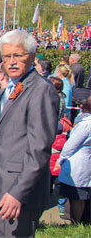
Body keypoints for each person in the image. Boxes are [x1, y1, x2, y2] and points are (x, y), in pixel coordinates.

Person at [0, 30, 59, 237]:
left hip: (18, 193)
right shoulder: (14, 87)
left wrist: (18, 193)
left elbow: (39, 150)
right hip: (1, 184)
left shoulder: (41, 91)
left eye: (17, 55)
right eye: (7, 56)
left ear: (31, 56)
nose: (11, 61)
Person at [55, 96, 91, 224]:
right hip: (84, 163)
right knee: (80, 197)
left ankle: (77, 225)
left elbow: (70, 145)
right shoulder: (85, 122)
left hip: (77, 165)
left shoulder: (86, 124)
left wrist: (61, 160)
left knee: (76, 197)